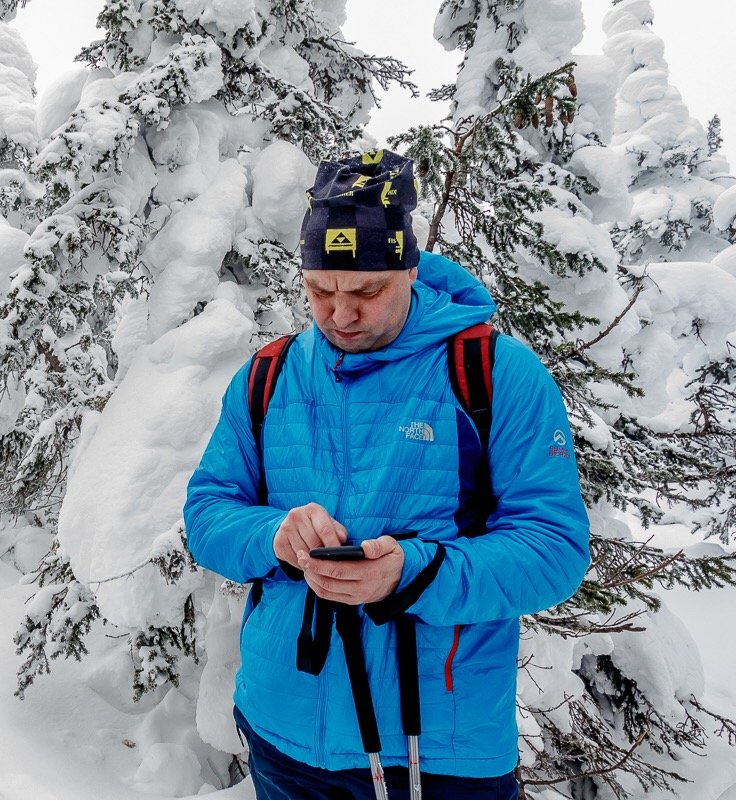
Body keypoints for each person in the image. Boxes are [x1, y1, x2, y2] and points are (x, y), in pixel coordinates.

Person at [183, 150, 590, 800]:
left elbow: (554, 550)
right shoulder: (268, 374)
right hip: (281, 732)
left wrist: (411, 572)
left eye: (367, 292)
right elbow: (207, 514)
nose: (340, 314)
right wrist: (273, 536)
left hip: (439, 752)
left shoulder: (495, 373)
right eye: (320, 291)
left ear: (409, 270)